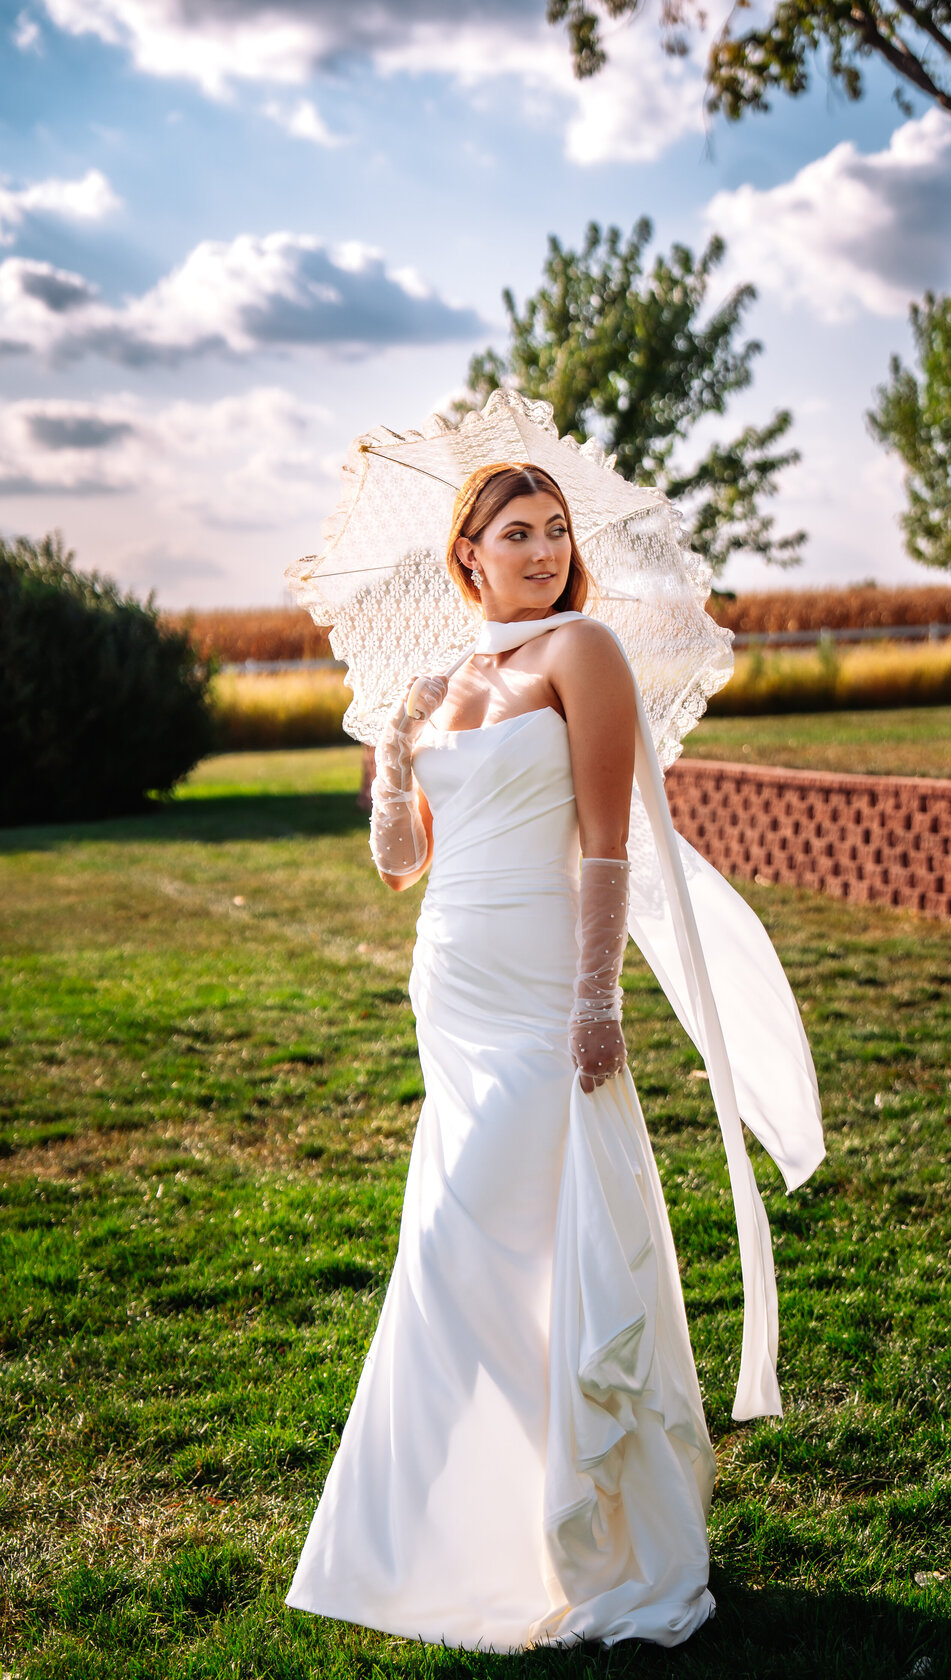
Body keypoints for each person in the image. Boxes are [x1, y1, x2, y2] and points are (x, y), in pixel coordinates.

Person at [285, 463, 719, 1649]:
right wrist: (394, 751)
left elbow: (606, 845)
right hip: (451, 992)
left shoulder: (584, 652)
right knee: (484, 1262)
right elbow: (399, 866)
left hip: (540, 993)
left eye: (556, 529)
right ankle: (482, 1542)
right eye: (516, 532)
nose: (543, 550)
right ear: (466, 554)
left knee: (469, 1249)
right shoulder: (447, 683)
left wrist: (597, 1001)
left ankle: (593, 1534)